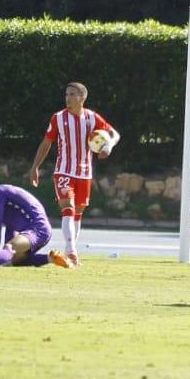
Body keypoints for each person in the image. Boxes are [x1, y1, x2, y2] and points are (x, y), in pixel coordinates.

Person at [28, 82, 119, 267]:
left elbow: (114, 134)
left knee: (78, 213)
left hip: (85, 173)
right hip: (64, 171)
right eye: (66, 94)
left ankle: (72, 250)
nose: (68, 98)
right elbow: (46, 143)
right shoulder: (58, 118)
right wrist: (35, 166)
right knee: (67, 208)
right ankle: (71, 252)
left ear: (82, 97)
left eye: (72, 94)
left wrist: (107, 146)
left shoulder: (93, 118)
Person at [0, 184, 69, 268]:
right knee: (14, 260)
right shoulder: (2, 201)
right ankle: (52, 258)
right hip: (40, 229)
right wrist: (0, 255)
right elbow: (10, 227)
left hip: (37, 228)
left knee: (10, 248)